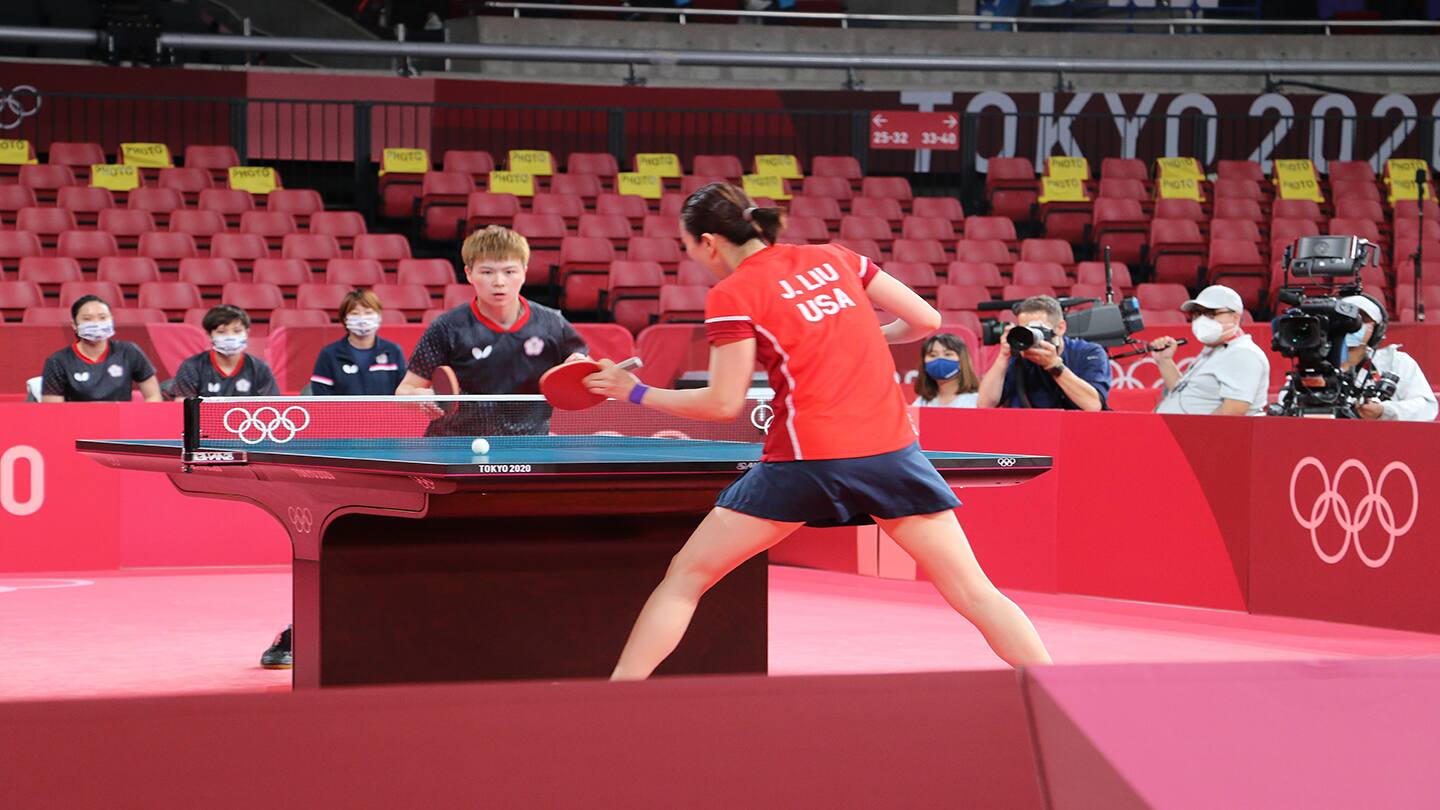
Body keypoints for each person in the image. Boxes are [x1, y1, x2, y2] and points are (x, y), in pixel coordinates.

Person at [583, 183, 1051, 680]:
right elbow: (926, 320)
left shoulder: (732, 294)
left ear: (709, 242)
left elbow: (722, 403)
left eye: (688, 247)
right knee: (974, 591)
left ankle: (618, 699)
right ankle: (1067, 697)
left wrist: (632, 392)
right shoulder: (834, 257)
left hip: (806, 462)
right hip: (890, 454)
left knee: (685, 577)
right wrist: (861, 332)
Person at [395, 225, 587, 435]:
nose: (499, 282)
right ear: (469, 273)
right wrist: (418, 397)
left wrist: (579, 369)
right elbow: (404, 391)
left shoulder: (553, 324)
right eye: (487, 272)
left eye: (509, 271)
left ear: (524, 272)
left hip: (528, 445)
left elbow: (582, 373)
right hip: (455, 443)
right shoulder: (447, 327)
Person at [1150, 284, 1269, 416]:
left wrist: (1192, 434)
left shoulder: (1243, 353)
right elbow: (1185, 395)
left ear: (1235, 317)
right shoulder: (1215, 350)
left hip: (1194, 435)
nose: (1202, 320)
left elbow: (1234, 410)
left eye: (1210, 313)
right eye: (1197, 313)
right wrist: (1164, 361)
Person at [976, 295, 1109, 411]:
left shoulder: (1088, 352)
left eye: (1038, 329)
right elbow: (985, 405)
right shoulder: (1019, 353)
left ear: (1060, 328)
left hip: (1072, 430)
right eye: (1026, 329)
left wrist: (1054, 366)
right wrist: (1003, 356)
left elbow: (1093, 405)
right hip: (1026, 428)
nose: (1031, 336)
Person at [40, 295, 162, 403]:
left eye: (102, 317)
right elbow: (53, 409)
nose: (96, 324)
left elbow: (153, 396)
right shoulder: (58, 361)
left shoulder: (129, 351)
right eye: (87, 319)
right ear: (74, 325)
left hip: (120, 424)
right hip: (77, 425)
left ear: (111, 320)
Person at [1337, 294, 1436, 421]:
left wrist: (1384, 411)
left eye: (1362, 320)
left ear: (1377, 329)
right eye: (1346, 319)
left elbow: (1427, 408)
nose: (1353, 326)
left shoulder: (1396, 362)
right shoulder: (1315, 360)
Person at [168, 305, 280, 400]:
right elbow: (183, 406)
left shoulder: (260, 369)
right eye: (221, 332)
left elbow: (271, 406)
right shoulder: (192, 367)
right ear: (209, 335)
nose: (230, 337)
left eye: (237, 331)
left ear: (246, 332)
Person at [309, 289, 407, 396]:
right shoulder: (329, 354)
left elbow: (403, 391)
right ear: (345, 319)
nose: (362, 319)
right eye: (355, 313)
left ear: (379, 316)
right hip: (342, 413)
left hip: (385, 413)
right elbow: (321, 397)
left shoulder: (393, 351)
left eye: (368, 312)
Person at [912, 332, 980, 408]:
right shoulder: (921, 403)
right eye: (933, 355)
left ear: (962, 361)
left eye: (948, 354)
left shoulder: (976, 401)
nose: (940, 359)